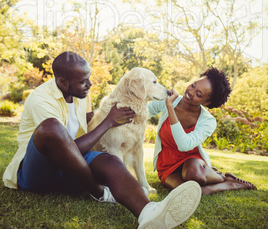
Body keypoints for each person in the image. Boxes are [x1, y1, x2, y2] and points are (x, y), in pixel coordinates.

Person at [3, 51, 201, 229]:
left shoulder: (81, 93)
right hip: (38, 174)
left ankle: (149, 211)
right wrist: (108, 122)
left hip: (71, 170)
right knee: (51, 127)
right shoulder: (41, 99)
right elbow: (64, 148)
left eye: (88, 78)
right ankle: (98, 191)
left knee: (111, 159)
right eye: (83, 81)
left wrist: (110, 115)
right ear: (63, 82)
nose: (89, 84)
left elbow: (88, 121)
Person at [148, 67, 257, 195]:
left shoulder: (208, 121)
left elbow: (184, 145)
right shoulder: (169, 100)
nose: (191, 92)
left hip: (192, 161)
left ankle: (220, 177)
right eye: (193, 85)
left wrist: (170, 108)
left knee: (193, 174)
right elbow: (143, 110)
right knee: (188, 192)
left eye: (199, 94)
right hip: (167, 164)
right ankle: (227, 183)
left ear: (207, 102)